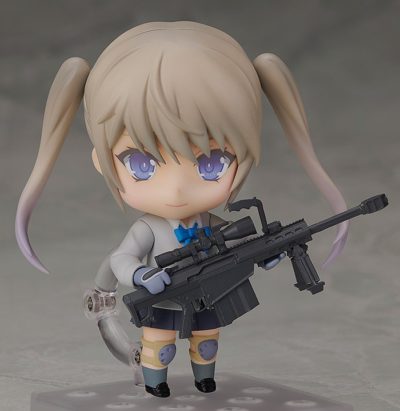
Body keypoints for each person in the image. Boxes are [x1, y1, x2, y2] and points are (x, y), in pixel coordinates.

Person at [15, 21, 349, 397]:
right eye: (141, 164)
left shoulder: (213, 224)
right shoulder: (149, 229)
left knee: (206, 342)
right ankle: (155, 382)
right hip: (164, 294)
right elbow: (120, 259)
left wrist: (267, 255)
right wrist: (140, 274)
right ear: (100, 161)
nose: (176, 188)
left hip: (209, 294)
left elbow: (238, 245)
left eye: (212, 163)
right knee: (160, 345)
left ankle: (204, 378)